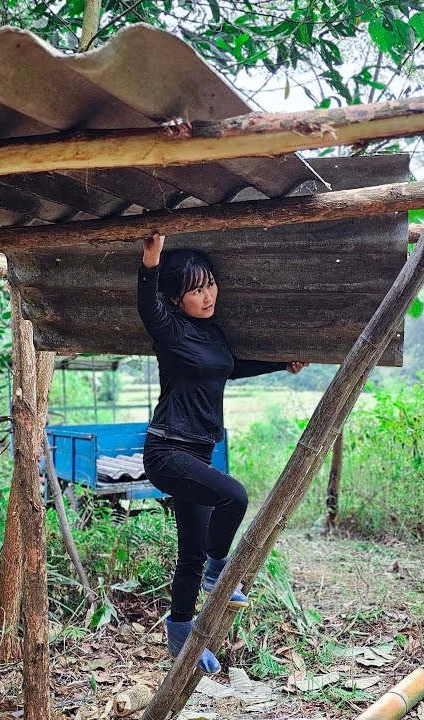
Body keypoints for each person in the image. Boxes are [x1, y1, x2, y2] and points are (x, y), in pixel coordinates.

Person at [137, 232, 306, 673]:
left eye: (210, 284)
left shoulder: (211, 331)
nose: (208, 295)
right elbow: (147, 306)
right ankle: (219, 573)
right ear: (176, 299)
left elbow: (228, 367)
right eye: (195, 290)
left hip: (197, 452)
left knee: (188, 554)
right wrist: (150, 264)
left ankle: (179, 637)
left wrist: (280, 363)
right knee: (235, 496)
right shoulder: (170, 330)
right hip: (167, 450)